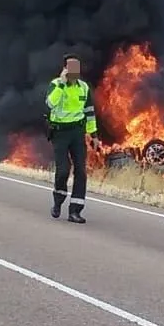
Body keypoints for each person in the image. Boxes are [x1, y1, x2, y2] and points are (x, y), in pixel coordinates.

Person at [45, 53, 101, 223]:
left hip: (77, 133)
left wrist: (94, 135)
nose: (75, 71)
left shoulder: (83, 87)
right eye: (71, 67)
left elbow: (89, 112)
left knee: (81, 171)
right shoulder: (56, 84)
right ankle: (58, 201)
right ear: (65, 69)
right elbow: (50, 104)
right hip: (60, 133)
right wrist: (62, 84)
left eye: (77, 67)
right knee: (63, 170)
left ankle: (75, 211)